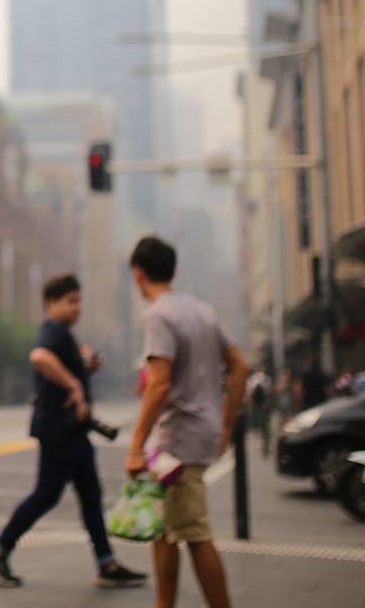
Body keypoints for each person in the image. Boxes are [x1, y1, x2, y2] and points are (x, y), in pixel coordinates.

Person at [0, 274, 146, 589]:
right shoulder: (54, 331)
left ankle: (106, 563)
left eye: (79, 300)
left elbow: (56, 365)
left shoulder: (62, 333)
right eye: (70, 301)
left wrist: (84, 371)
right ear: (50, 303)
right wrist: (75, 384)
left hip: (72, 432)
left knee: (91, 496)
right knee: (47, 494)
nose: (77, 307)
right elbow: (39, 357)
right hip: (59, 430)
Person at [125, 236, 250, 608]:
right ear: (174, 270)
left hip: (178, 439)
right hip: (200, 431)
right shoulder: (202, 310)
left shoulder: (157, 315)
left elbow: (160, 384)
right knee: (165, 530)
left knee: (194, 532)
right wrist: (225, 424)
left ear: (138, 273)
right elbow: (240, 367)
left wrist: (135, 447)